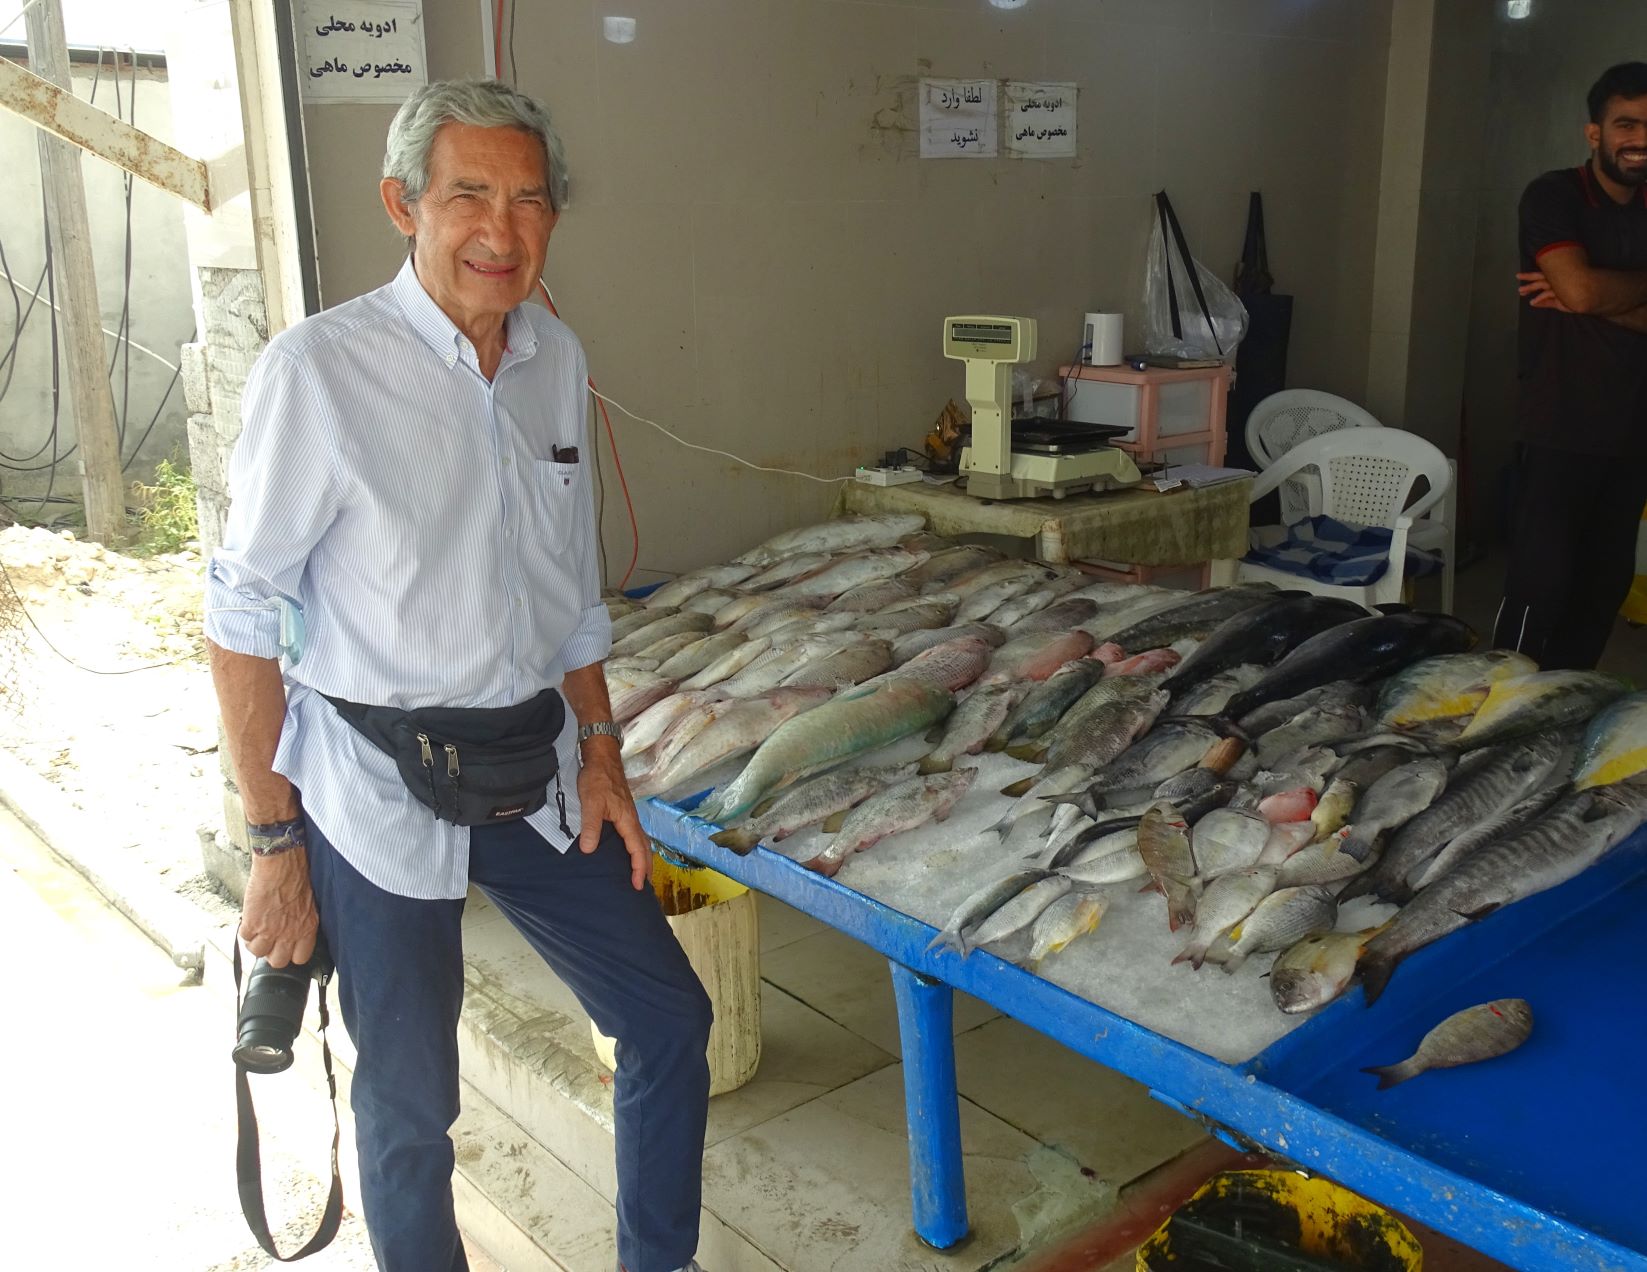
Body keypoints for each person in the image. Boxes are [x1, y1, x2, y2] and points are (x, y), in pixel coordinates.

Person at [205, 78, 712, 1272]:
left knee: (664, 1017)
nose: (503, 229)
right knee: (411, 1099)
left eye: (530, 200)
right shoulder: (320, 373)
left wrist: (601, 754)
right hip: (372, 783)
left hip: (527, 761)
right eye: (468, 195)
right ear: (404, 206)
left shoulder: (554, 355)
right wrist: (274, 847)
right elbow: (239, 612)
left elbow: (568, 584)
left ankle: (661, 1261)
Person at [1496, 61, 1647, 669]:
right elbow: (1576, 291)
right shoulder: (1554, 194)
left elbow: (1582, 294)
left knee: (1603, 585)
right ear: (1595, 134)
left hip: (1635, 428)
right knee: (1541, 583)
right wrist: (1591, 295)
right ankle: (1498, 714)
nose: (1639, 140)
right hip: (1562, 421)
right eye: (1626, 124)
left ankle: (1562, 709)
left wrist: (1591, 296)